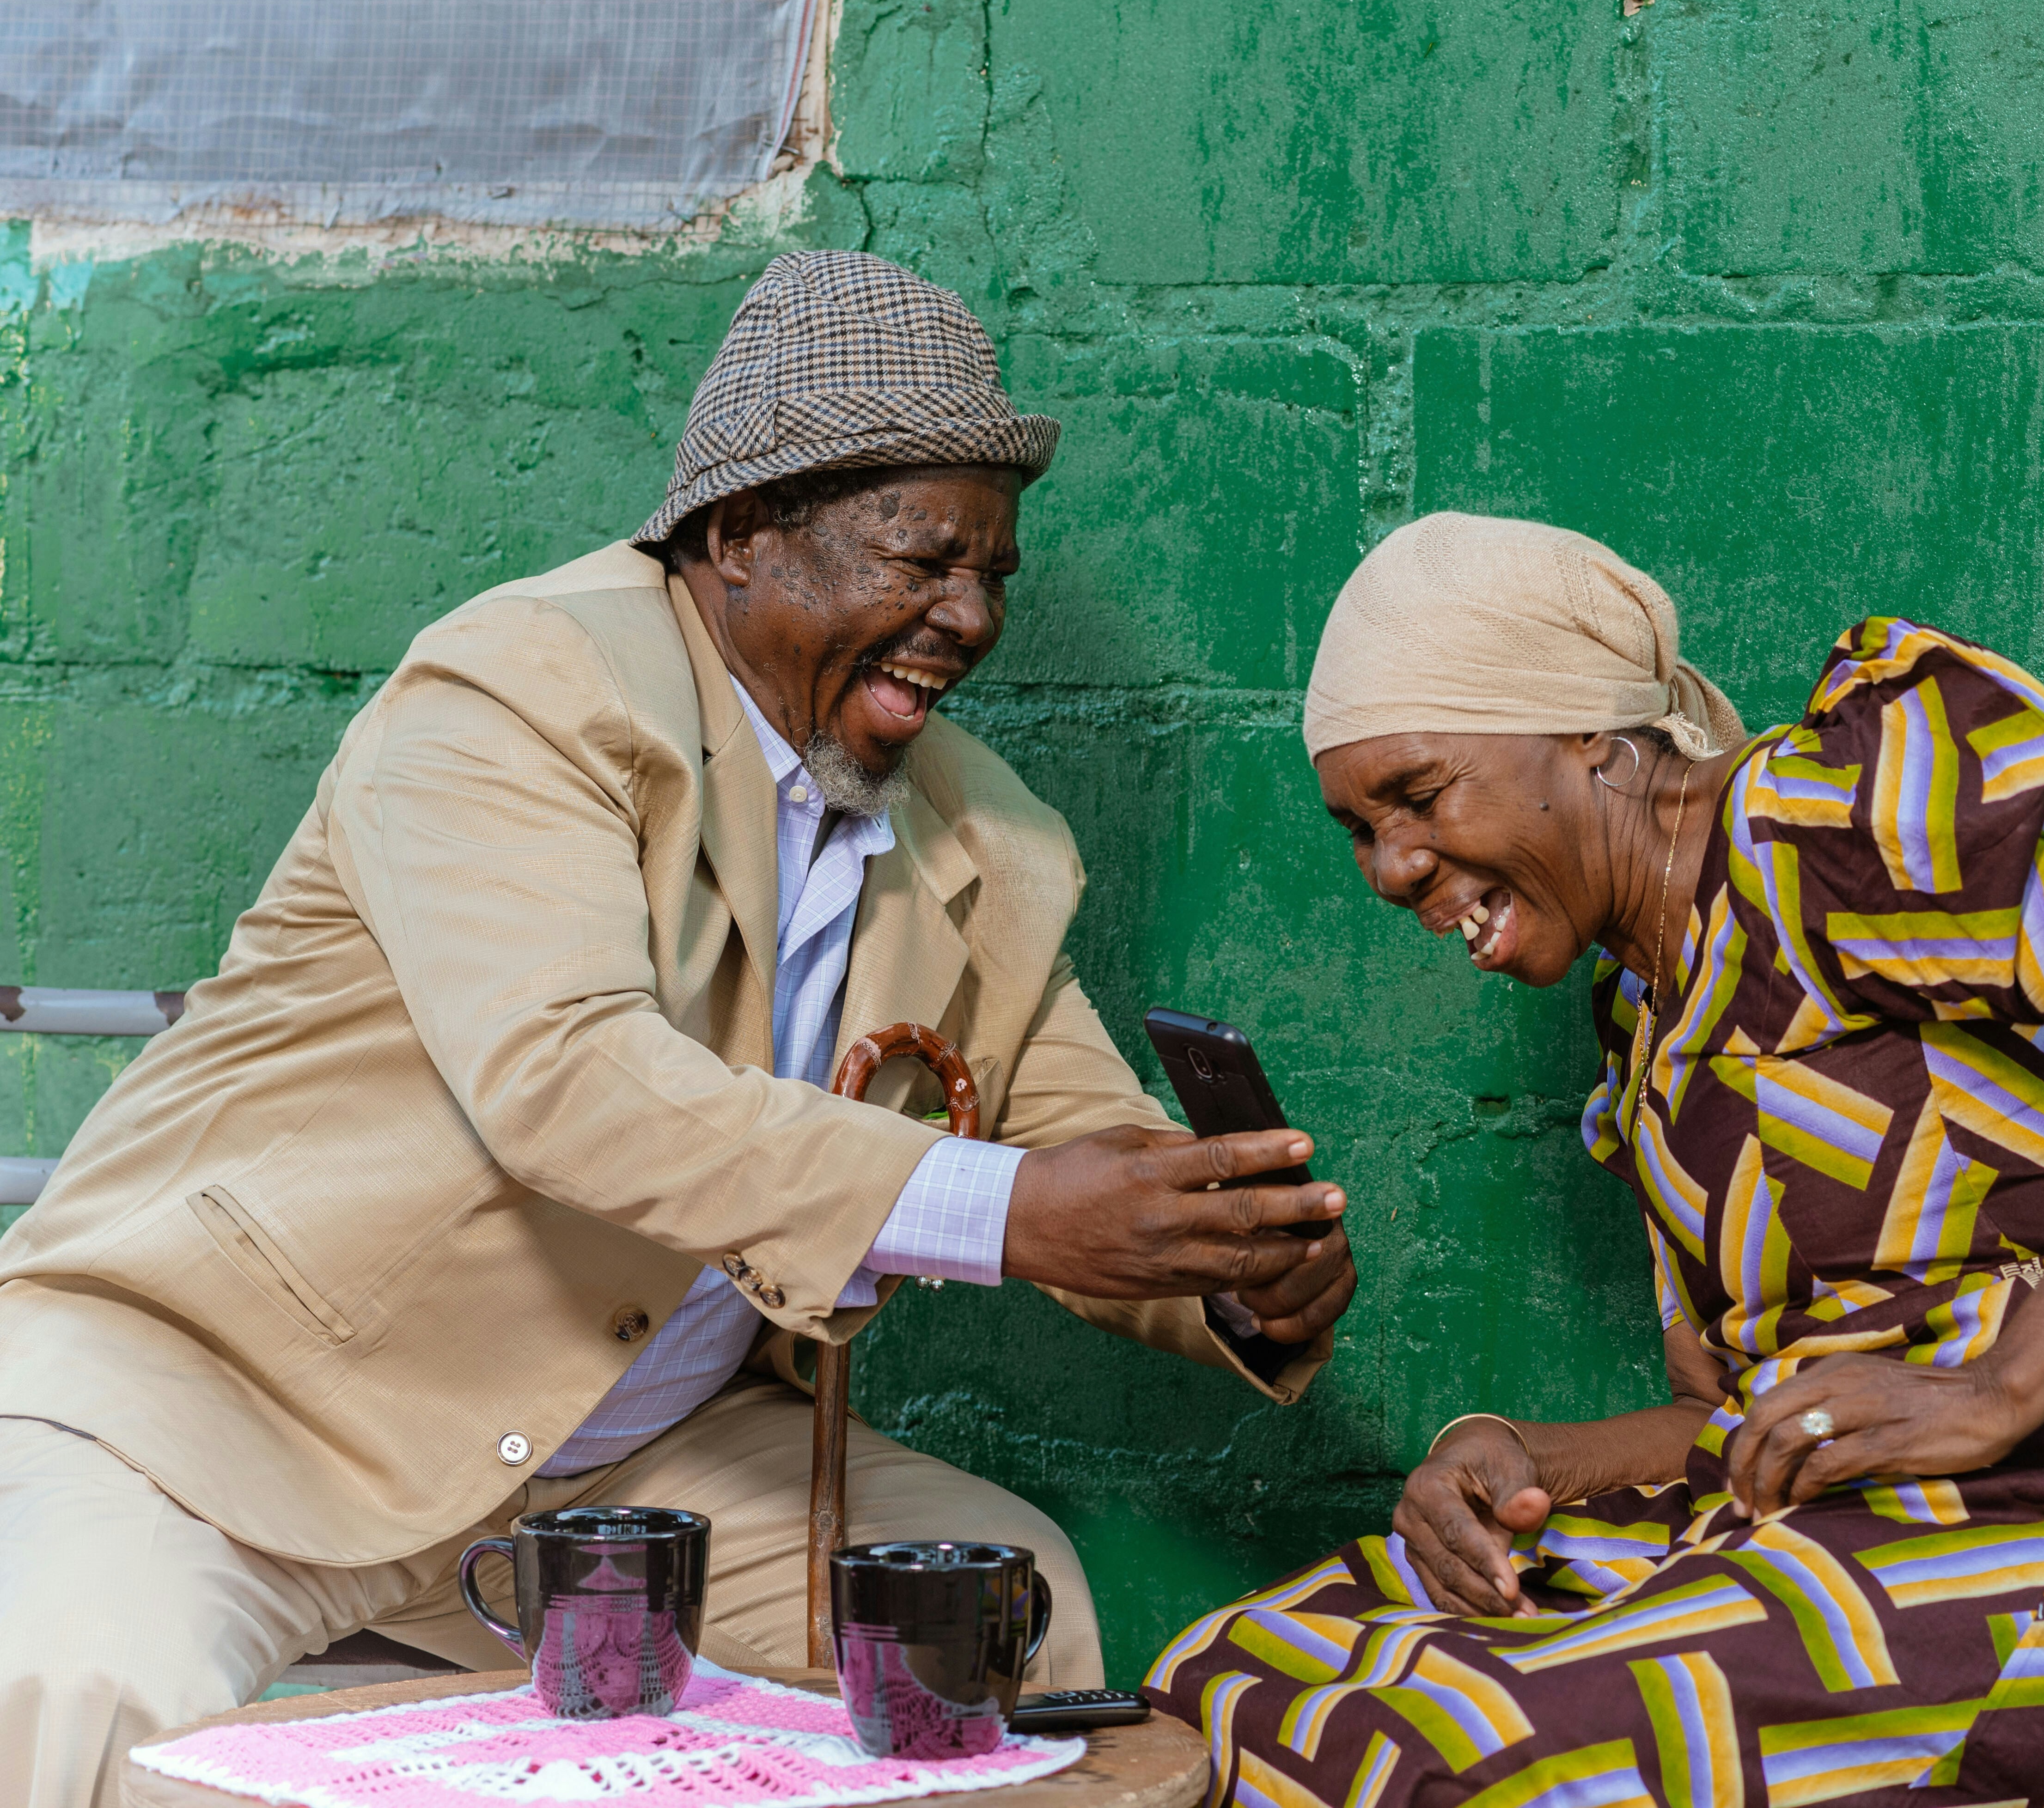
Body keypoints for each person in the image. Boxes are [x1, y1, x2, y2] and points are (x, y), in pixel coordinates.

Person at [0, 250, 1359, 1804]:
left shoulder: (992, 838)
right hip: (222, 1428)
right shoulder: (522, 692)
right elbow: (570, 1082)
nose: (971, 617)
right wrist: (1014, 1213)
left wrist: (1232, 1271)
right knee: (92, 1689)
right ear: (739, 536)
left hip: (623, 1487)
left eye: (995, 574)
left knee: (1003, 1614)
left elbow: (1082, 1157)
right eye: (922, 560)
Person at [1147, 513, 2044, 1808]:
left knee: (1485, 1756)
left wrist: (2004, 1384)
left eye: (1420, 797)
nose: (1392, 869)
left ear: (1589, 741)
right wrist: (1513, 1453)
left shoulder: (1810, 832)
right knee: (1234, 1683)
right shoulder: (1647, 1012)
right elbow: (1719, 1414)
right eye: (1356, 829)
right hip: (1822, 1516)